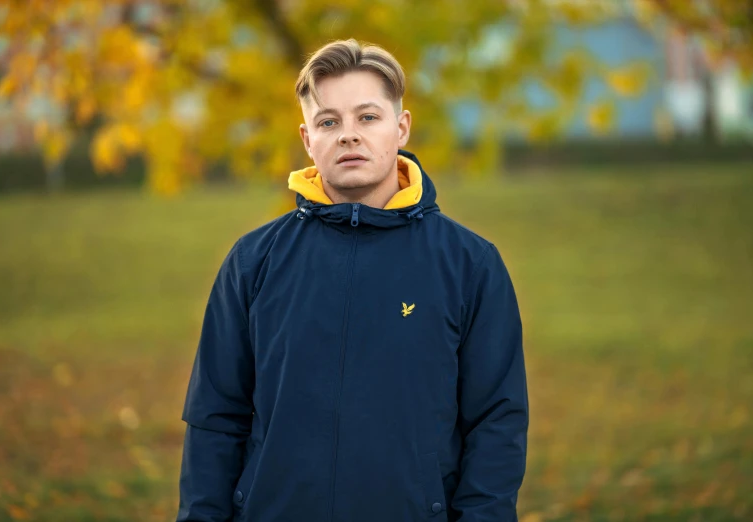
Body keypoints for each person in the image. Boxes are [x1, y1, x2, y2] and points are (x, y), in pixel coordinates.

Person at [176, 39, 528, 522]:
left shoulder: (470, 264)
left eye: (368, 117)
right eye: (329, 122)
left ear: (400, 127)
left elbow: (496, 423)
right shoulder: (253, 262)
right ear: (307, 139)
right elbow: (215, 420)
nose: (348, 135)